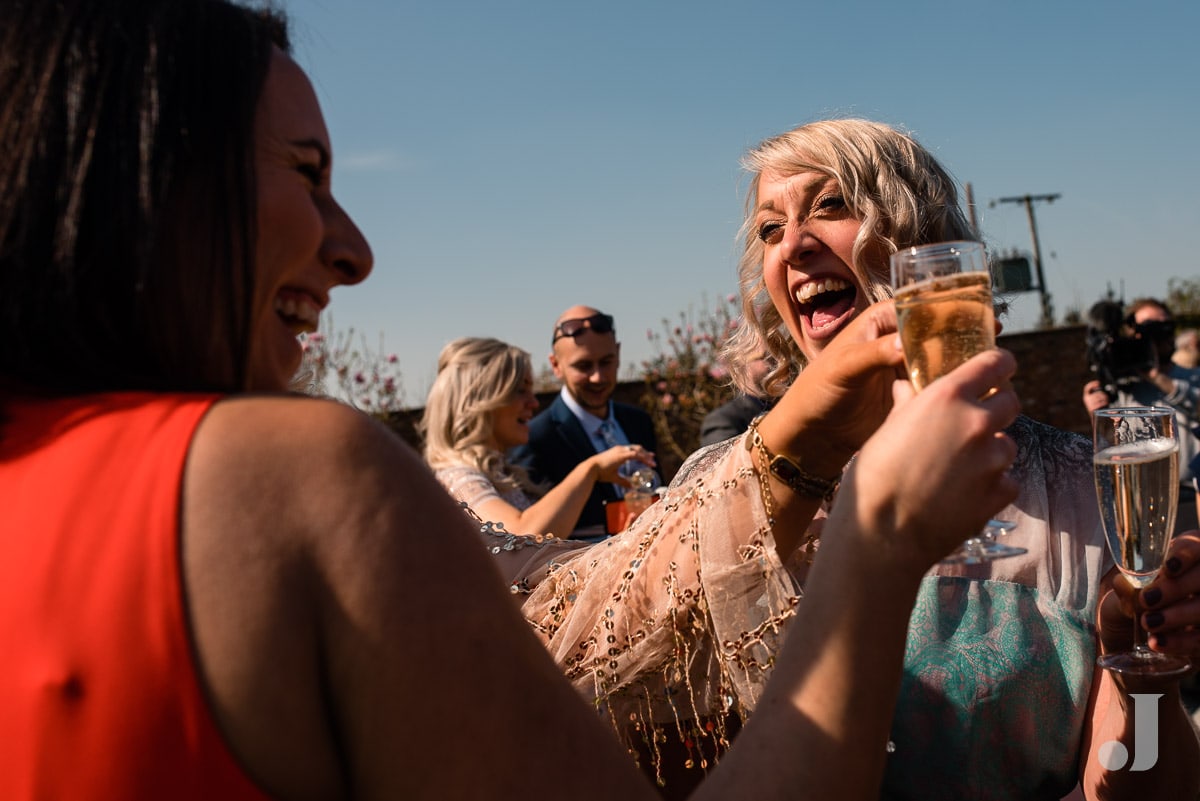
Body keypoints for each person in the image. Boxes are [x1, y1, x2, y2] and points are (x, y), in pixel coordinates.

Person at [0, 3, 1033, 799]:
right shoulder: (285, 477)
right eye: (308, 173)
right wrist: (879, 533)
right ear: (143, 181)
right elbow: (553, 618)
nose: (355, 250)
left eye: (837, 206)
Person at [493, 119, 1200, 800]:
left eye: (830, 206)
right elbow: (610, 699)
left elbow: (1142, 777)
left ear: (921, 243)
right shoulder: (726, 503)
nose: (792, 245)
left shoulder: (1085, 492)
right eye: (770, 229)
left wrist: (1143, 675)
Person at [422, 336, 655, 539]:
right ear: (479, 402)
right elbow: (521, 539)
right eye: (520, 391)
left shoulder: (503, 474)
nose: (533, 403)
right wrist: (590, 470)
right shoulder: (458, 480)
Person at [510, 305, 658, 539]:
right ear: (556, 366)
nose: (597, 377)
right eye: (583, 366)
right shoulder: (534, 440)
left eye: (606, 362)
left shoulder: (638, 421)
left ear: (618, 354)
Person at [1083, 297, 1200, 534]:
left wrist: (1158, 378)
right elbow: (1113, 447)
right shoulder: (1124, 387)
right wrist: (1097, 415)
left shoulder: (1193, 376)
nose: (1155, 335)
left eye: (1162, 326)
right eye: (1145, 328)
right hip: (1142, 501)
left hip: (1191, 500)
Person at [698, 354, 775, 447]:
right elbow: (726, 460)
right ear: (739, 368)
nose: (779, 362)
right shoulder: (722, 420)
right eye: (766, 357)